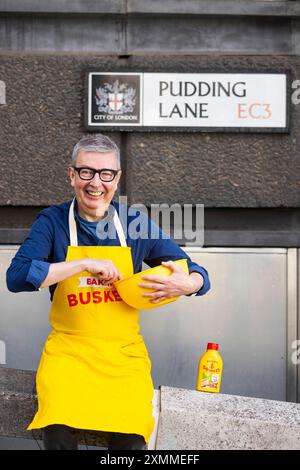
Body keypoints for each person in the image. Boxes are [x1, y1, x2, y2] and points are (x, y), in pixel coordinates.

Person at [6, 134, 210, 450]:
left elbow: (195, 271)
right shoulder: (53, 222)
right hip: (68, 353)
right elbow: (17, 276)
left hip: (123, 357)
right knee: (57, 434)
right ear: (71, 175)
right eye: (86, 172)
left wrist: (188, 284)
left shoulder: (134, 224)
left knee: (131, 441)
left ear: (117, 178)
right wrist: (82, 263)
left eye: (106, 174)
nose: (95, 183)